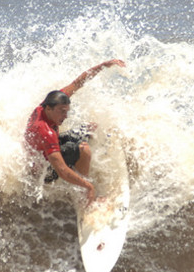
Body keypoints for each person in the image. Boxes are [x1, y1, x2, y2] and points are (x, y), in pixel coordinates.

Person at [24, 59, 126, 204]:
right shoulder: (45, 131)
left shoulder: (47, 105)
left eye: (67, 111)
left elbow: (77, 83)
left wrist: (103, 65)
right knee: (83, 149)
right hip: (43, 171)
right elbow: (62, 170)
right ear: (49, 109)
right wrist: (89, 186)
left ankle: (83, 176)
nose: (65, 116)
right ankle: (84, 197)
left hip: (46, 151)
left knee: (90, 128)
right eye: (61, 112)